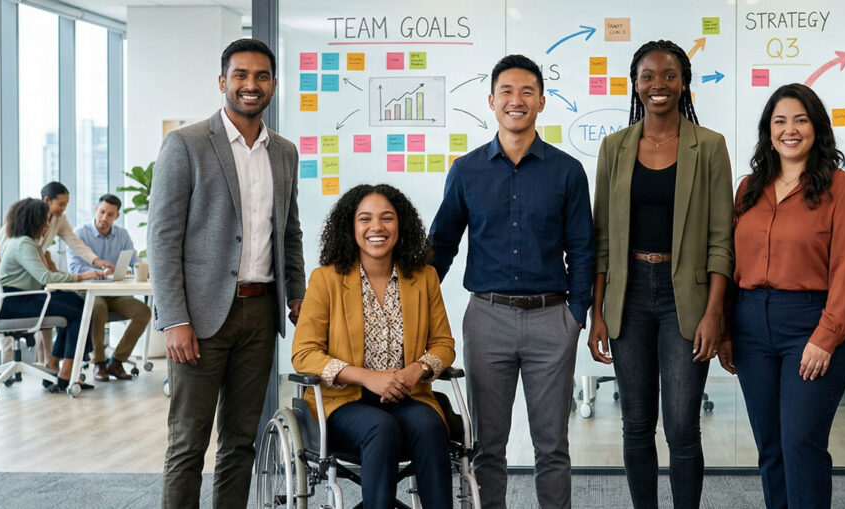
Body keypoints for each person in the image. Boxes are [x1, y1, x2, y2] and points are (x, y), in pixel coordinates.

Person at [429, 54, 593, 509]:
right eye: (507, 91)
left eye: (526, 92)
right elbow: (441, 244)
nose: (516, 101)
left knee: (552, 447)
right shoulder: (466, 170)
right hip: (487, 318)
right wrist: (413, 305)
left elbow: (583, 248)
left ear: (541, 101)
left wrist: (576, 315)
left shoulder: (566, 171)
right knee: (486, 446)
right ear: (491, 101)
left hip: (551, 320)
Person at [151, 38, 306, 508]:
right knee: (188, 445)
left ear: (273, 85)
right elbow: (162, 238)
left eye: (261, 76)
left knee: (241, 442)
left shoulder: (284, 152)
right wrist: (173, 319)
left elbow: (290, 231)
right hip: (198, 320)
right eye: (240, 75)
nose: (250, 85)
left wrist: (297, 295)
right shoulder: (186, 145)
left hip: (260, 316)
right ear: (223, 82)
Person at [587, 39, 733, 509]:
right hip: (628, 294)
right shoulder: (614, 148)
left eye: (669, 75)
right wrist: (598, 313)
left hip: (683, 299)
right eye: (648, 76)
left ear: (684, 82)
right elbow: (603, 239)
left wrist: (715, 313)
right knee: (635, 423)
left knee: (682, 426)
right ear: (635, 83)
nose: (658, 85)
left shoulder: (709, 146)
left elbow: (720, 240)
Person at [722, 84, 845, 509]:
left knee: (801, 443)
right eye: (780, 121)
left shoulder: (842, 190)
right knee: (770, 446)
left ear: (817, 128)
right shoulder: (749, 187)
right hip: (751, 324)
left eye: (800, 120)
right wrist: (728, 329)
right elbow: (734, 263)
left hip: (812, 323)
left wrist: (826, 336)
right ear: (768, 131)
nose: (790, 130)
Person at [292, 184, 457, 509]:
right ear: (350, 227)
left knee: (430, 425)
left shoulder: (424, 279)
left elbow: (443, 344)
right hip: (342, 403)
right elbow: (304, 353)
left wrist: (416, 371)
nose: (376, 227)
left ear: (401, 225)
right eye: (365, 219)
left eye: (387, 218)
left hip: (407, 395)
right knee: (380, 428)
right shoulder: (326, 280)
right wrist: (367, 377)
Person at [0, 181, 116, 371]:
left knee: (76, 303)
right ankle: (68, 370)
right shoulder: (23, 243)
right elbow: (45, 277)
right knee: (79, 310)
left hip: (25, 291)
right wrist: (82, 277)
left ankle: (57, 363)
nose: (47, 226)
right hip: (17, 298)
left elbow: (73, 244)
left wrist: (96, 262)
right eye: (61, 204)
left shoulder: (28, 238)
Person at [65, 194, 150, 382]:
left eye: (110, 214)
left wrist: (143, 268)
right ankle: (99, 363)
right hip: (88, 291)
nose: (104, 218)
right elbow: (74, 267)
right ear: (96, 209)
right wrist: (98, 271)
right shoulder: (80, 233)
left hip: (114, 292)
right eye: (102, 212)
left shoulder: (122, 235)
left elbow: (134, 259)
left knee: (143, 312)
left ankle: (117, 361)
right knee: (98, 308)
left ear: (117, 216)